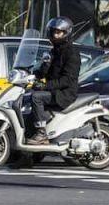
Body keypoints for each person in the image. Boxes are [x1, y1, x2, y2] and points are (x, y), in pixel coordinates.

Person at [27, 17, 80, 145]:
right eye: (53, 32)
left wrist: (44, 86)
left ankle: (41, 134)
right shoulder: (54, 51)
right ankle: (27, 155)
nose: (55, 35)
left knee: (36, 97)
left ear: (66, 32)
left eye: (59, 32)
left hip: (64, 94)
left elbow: (67, 80)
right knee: (27, 102)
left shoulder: (72, 53)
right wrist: (32, 74)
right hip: (53, 91)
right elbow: (43, 72)